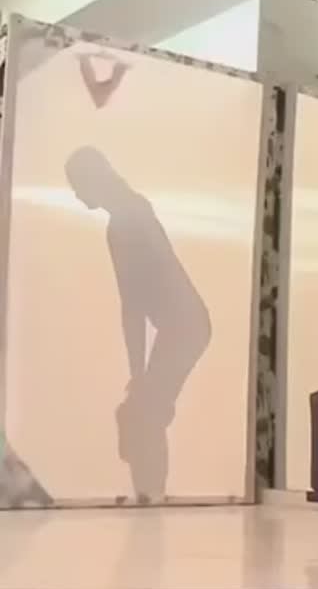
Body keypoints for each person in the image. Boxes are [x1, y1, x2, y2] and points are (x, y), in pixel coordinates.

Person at [65, 147, 212, 504]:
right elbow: (138, 299)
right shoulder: (132, 210)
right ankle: (149, 493)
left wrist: (139, 372)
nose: (76, 194)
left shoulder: (125, 221)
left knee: (142, 414)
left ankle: (150, 495)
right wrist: (142, 376)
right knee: (141, 412)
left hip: (185, 326)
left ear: (92, 180)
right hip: (182, 325)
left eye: (76, 185)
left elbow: (132, 305)